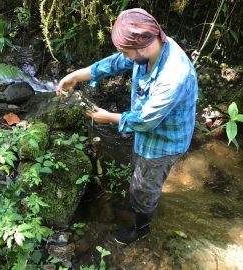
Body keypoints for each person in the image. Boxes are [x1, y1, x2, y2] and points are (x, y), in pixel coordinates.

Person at [56, 8, 198, 245]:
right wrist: (75, 76)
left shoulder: (175, 75)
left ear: (142, 46)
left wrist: (108, 117)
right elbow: (114, 63)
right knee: (138, 173)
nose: (126, 57)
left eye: (127, 52)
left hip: (164, 142)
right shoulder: (149, 46)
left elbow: (145, 120)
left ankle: (141, 228)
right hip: (146, 134)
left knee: (146, 186)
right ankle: (137, 201)